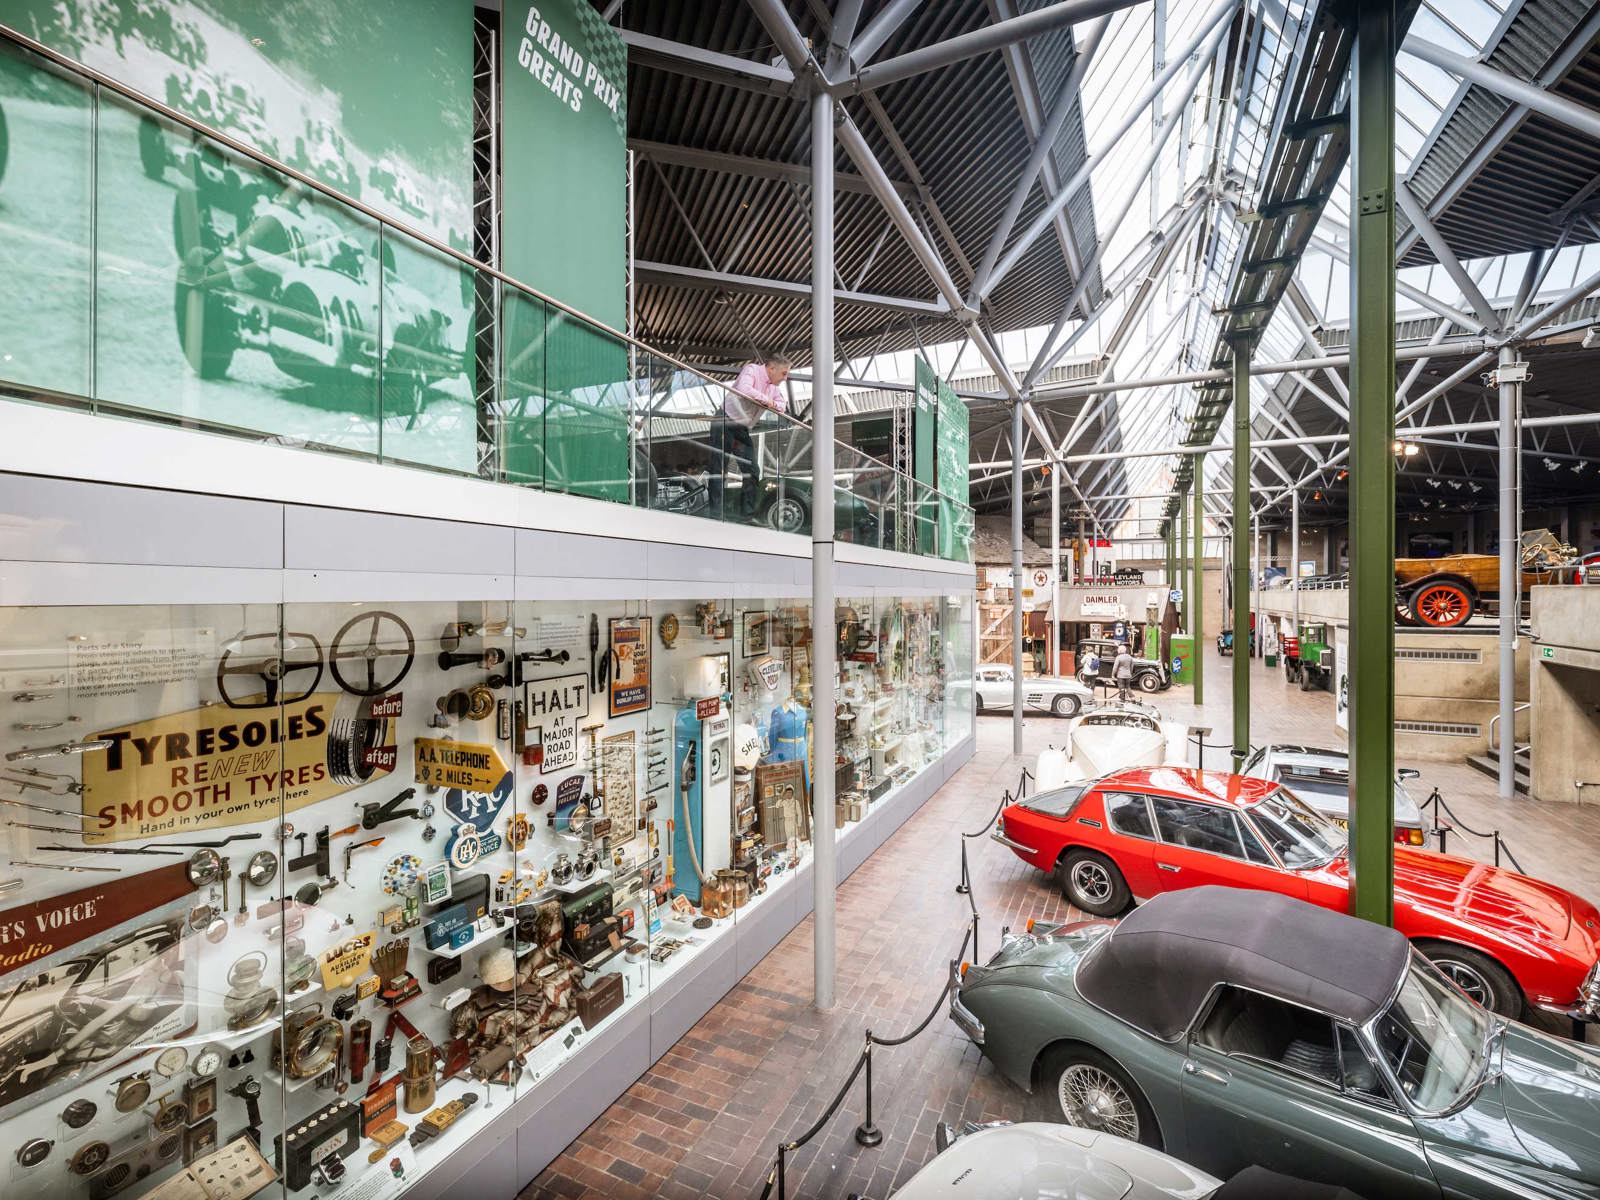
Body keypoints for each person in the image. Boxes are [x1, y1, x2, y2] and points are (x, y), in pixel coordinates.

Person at [710, 353, 789, 522]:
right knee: (719, 466)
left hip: (742, 429)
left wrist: (770, 402)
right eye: (784, 373)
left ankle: (747, 515)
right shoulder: (752, 369)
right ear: (772, 368)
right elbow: (744, 389)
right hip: (725, 420)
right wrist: (767, 401)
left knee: (752, 470)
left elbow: (782, 406)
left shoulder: (774, 388)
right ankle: (715, 512)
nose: (785, 378)